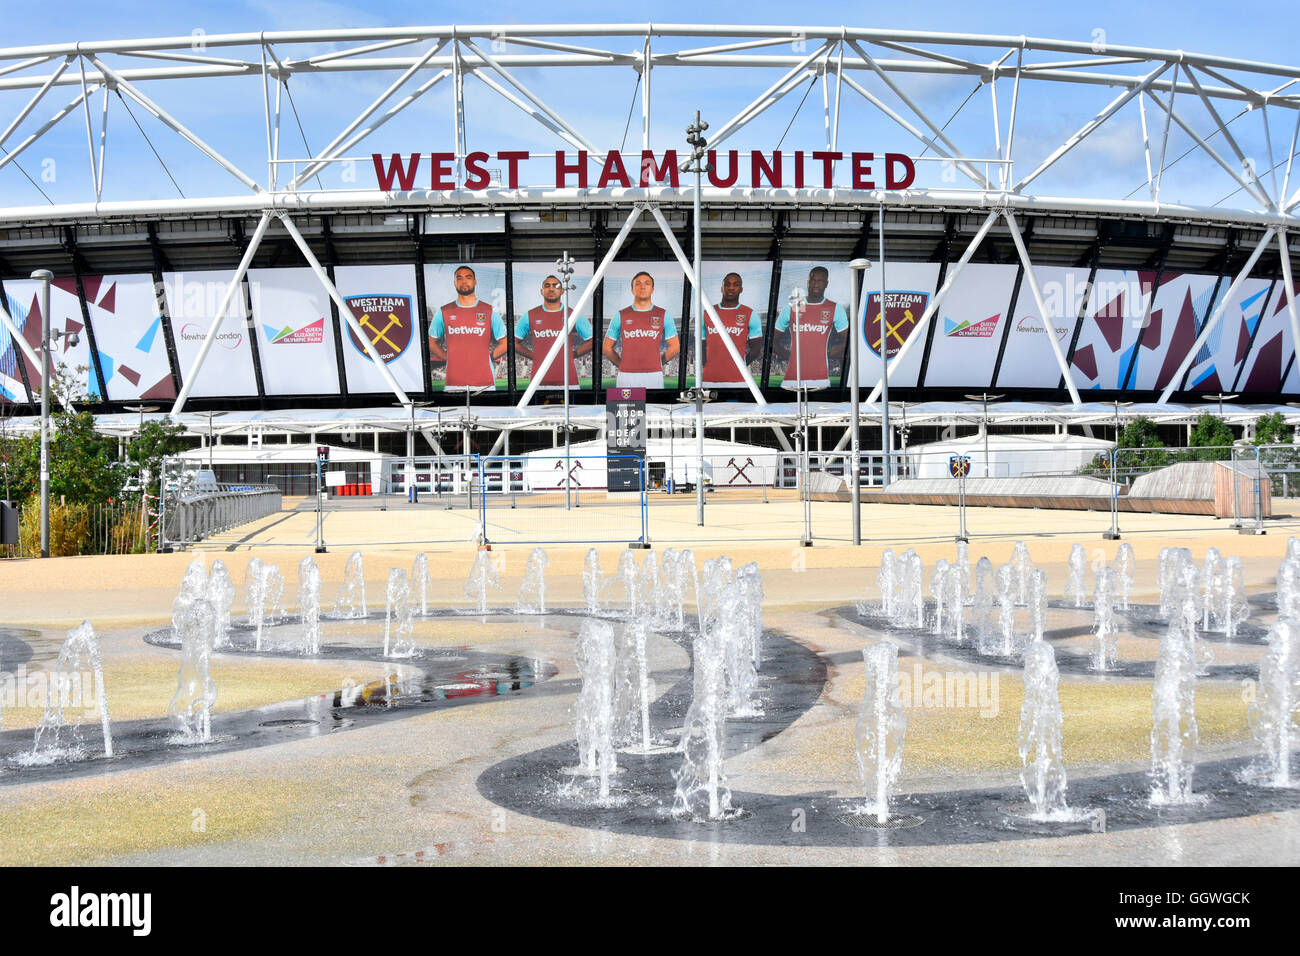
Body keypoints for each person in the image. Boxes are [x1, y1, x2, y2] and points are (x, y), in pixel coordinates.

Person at [428, 265, 507, 390]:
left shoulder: (490, 311)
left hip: (485, 383)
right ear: (455, 283)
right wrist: (449, 359)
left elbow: (506, 343)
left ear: (475, 282)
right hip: (453, 383)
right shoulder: (444, 311)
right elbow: (431, 342)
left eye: (468, 277)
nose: (464, 281)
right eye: (459, 278)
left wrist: (487, 358)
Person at [773, 265, 849, 390]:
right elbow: (773, 341)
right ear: (808, 282)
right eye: (813, 280)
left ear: (826, 284)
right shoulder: (791, 307)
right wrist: (790, 357)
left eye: (820, 281)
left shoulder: (835, 308)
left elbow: (847, 342)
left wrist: (825, 355)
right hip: (792, 381)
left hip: (821, 381)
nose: (816, 284)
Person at [602, 270, 680, 388]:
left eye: (647, 283)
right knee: (625, 407)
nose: (642, 286)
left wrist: (658, 362)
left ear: (652, 289)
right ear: (632, 289)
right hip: (626, 375)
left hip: (654, 375)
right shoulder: (620, 315)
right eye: (638, 283)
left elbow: (675, 346)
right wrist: (621, 364)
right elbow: (607, 347)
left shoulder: (664, 314)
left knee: (655, 406)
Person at [514, 274, 593, 390]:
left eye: (555, 286)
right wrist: (533, 355)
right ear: (542, 291)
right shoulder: (529, 315)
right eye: (547, 286)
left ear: (561, 291)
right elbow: (513, 343)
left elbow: (592, 341)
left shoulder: (573, 314)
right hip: (538, 382)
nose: (551, 289)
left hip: (569, 382)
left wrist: (573, 354)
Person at [699, 271, 763, 390]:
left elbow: (756, 350)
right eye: (727, 284)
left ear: (741, 289)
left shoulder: (750, 314)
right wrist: (709, 365)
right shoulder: (707, 314)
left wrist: (740, 366)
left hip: (739, 380)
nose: (731, 288)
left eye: (736, 284)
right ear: (722, 288)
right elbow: (700, 346)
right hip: (709, 380)